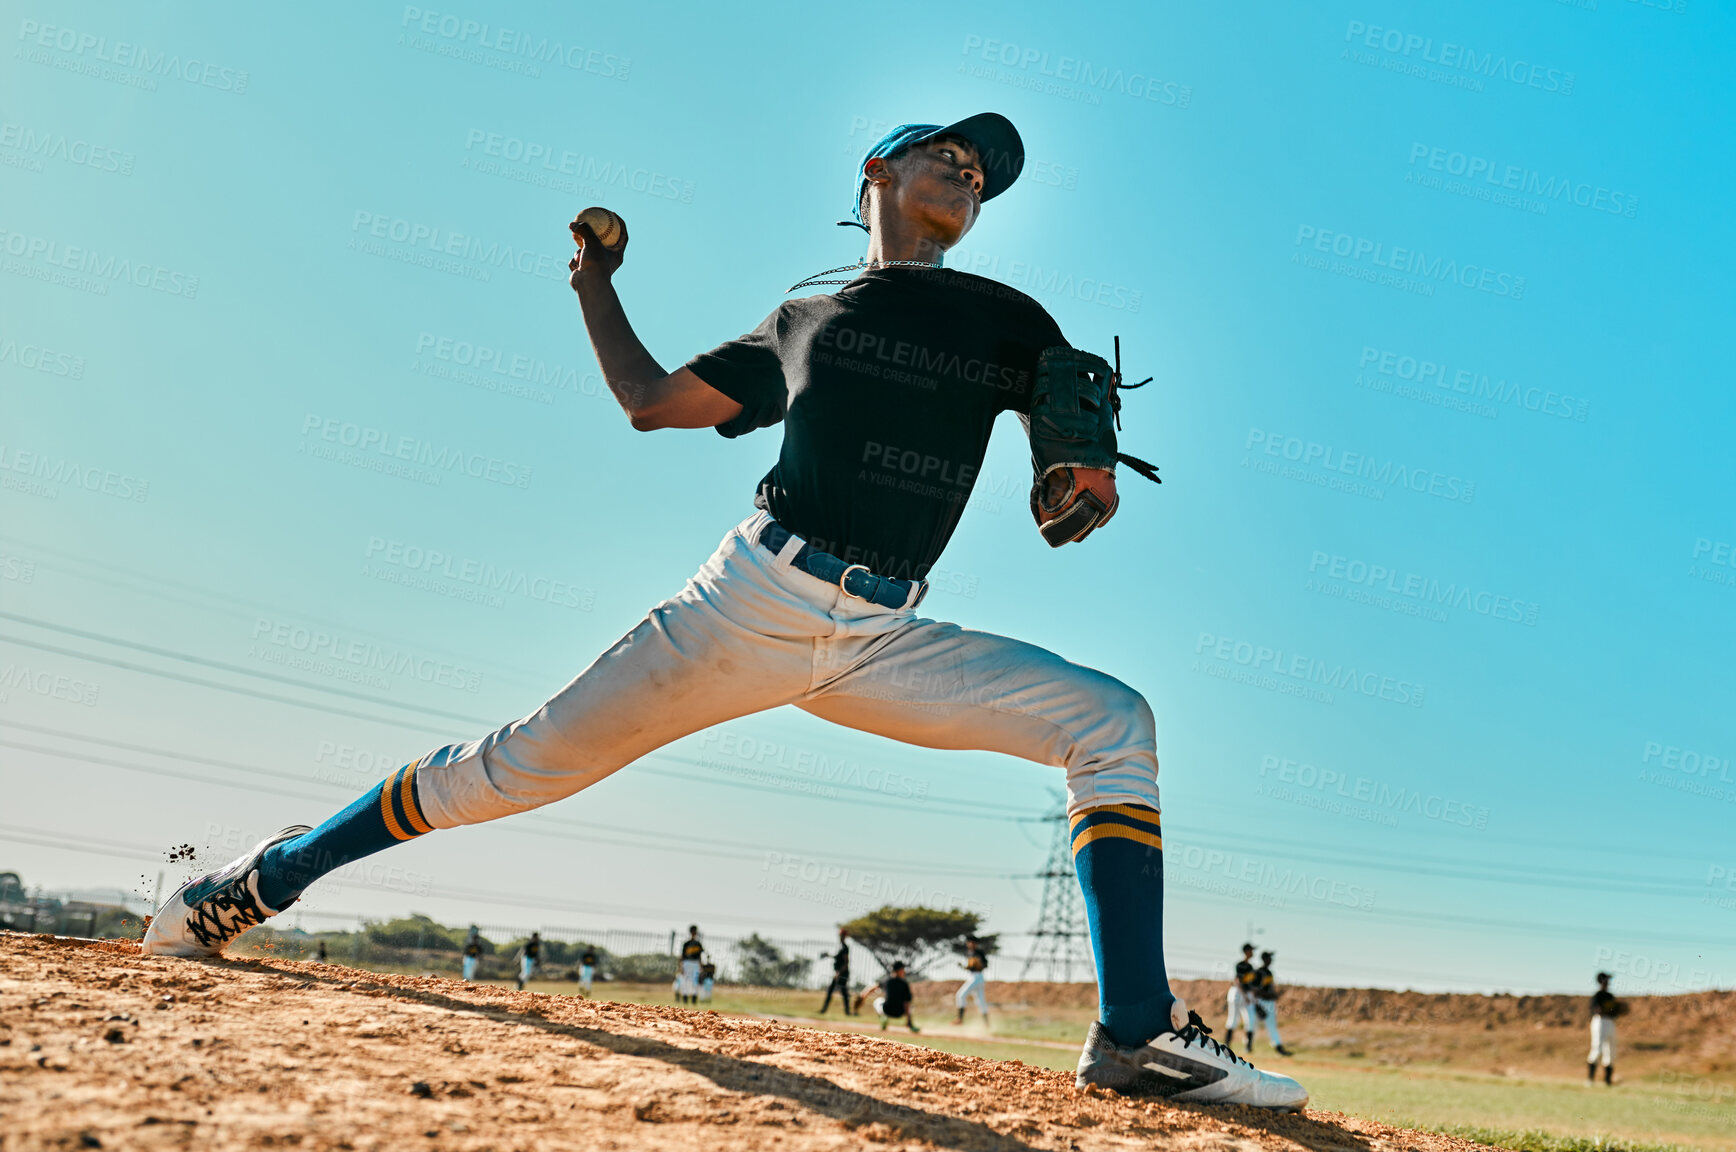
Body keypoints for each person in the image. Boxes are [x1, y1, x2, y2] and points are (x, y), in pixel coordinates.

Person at [141, 111, 1305, 1112]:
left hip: (881, 640)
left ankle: (1134, 1035)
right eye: (941, 154)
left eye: (980, 171)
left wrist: (1077, 471)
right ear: (877, 172)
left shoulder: (1006, 317)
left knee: (1111, 721)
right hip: (744, 604)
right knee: (502, 771)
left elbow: (1064, 425)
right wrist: (594, 284)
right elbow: (651, 404)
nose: (966, 174)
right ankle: (255, 883)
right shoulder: (805, 324)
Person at [858, 961, 919, 1032]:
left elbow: (872, 988)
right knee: (909, 1005)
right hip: (900, 1013)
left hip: (887, 1010)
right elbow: (907, 1002)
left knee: (877, 1001)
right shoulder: (904, 984)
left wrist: (862, 996)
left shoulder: (887, 980)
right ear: (899, 970)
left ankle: (883, 1019)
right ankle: (910, 1025)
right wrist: (909, 1021)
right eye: (903, 970)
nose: (904, 972)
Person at [1253, 950, 1292, 1056]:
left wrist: (1273, 995)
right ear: (1264, 959)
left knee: (1272, 1026)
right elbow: (1255, 990)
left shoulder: (1269, 972)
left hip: (1269, 1002)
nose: (1271, 960)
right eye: (1269, 957)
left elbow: (1268, 988)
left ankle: (1278, 1047)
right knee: (1252, 1025)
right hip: (1261, 1002)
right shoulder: (1258, 972)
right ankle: (1248, 1046)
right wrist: (1257, 1005)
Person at [1588, 972, 1623, 1086]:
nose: (1608, 982)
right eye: (1606, 980)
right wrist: (1607, 1009)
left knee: (1611, 1050)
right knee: (1597, 1048)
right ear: (1601, 981)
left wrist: (1619, 1009)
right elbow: (1597, 1010)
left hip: (1610, 1022)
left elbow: (1615, 1011)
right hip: (1600, 1021)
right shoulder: (1597, 995)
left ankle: (1607, 1080)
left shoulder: (1610, 996)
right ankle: (1590, 1079)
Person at [1226, 943, 1259, 1051]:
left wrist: (1252, 996)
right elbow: (1237, 981)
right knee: (1233, 1019)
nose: (1253, 953)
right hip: (1237, 993)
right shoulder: (1240, 965)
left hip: (1246, 994)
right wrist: (1245, 995)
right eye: (1251, 950)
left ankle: (1248, 1046)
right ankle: (1227, 1044)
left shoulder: (1250, 967)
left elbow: (1250, 984)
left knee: (1250, 1019)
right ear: (1246, 952)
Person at [819, 928, 854, 1016]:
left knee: (840, 992)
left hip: (842, 973)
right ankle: (846, 1012)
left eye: (842, 935)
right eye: (840, 935)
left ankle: (846, 1012)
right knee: (838, 991)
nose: (841, 937)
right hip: (840, 973)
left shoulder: (845, 947)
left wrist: (839, 973)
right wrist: (829, 955)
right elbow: (838, 958)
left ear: (845, 936)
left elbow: (846, 962)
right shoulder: (841, 947)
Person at [955, 936, 989, 1025]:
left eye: (972, 942)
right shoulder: (968, 953)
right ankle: (987, 1024)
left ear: (975, 944)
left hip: (977, 977)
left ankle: (960, 1019)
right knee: (980, 1001)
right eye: (969, 942)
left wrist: (980, 964)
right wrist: (963, 967)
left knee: (960, 995)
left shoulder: (979, 953)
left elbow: (985, 965)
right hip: (973, 976)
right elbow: (970, 967)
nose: (970, 944)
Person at [677, 926, 705, 1005]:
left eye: (695, 932)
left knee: (695, 981)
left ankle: (694, 999)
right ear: (690, 932)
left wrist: (701, 965)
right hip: (687, 963)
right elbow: (682, 956)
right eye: (693, 931)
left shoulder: (698, 944)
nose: (694, 933)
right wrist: (681, 966)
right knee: (685, 980)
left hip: (695, 963)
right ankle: (685, 999)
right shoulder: (686, 944)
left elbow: (699, 956)